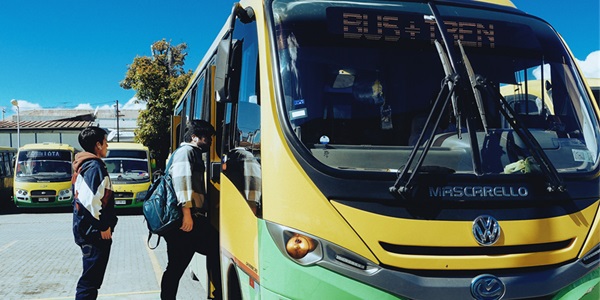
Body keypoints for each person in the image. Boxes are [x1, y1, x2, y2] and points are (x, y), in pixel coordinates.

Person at [161, 119, 221, 300]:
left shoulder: (190, 152)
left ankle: (216, 292)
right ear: (194, 137)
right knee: (177, 266)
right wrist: (187, 214)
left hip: (190, 219)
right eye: (207, 138)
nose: (210, 142)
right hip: (185, 220)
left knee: (178, 265)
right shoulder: (186, 152)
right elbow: (182, 183)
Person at [72, 126, 118, 299]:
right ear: (98, 145)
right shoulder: (94, 166)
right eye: (106, 143)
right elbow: (88, 201)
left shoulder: (85, 165)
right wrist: (103, 225)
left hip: (88, 231)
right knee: (90, 282)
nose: (107, 146)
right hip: (94, 233)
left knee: (91, 281)